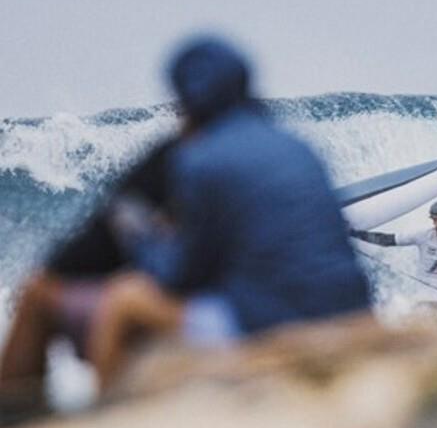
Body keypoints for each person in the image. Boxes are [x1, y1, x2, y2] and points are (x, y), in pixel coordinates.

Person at [1, 36, 370, 403]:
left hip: (271, 322)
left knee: (126, 301)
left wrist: (143, 240)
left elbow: (184, 276)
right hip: (347, 310)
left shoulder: (202, 160)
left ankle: (104, 416)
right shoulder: (296, 146)